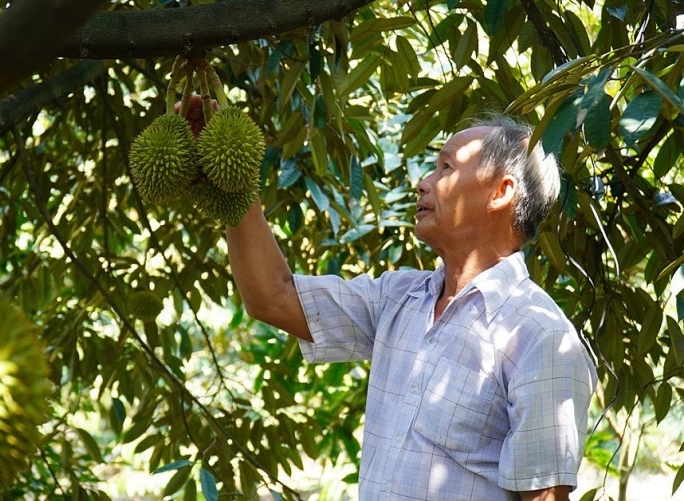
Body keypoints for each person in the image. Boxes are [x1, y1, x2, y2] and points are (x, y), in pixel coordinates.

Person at [226, 116, 597, 500]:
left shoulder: (541, 338)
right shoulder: (399, 298)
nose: (424, 182)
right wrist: (231, 184)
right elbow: (273, 298)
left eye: (446, 167)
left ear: (500, 193)